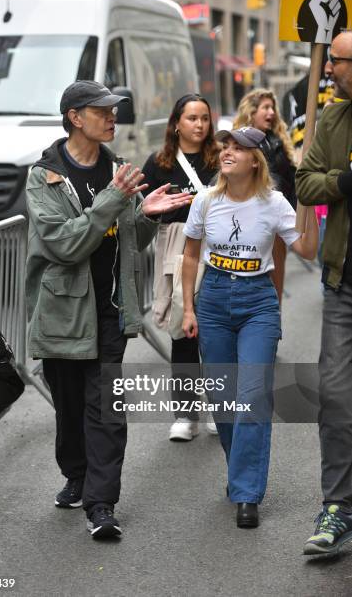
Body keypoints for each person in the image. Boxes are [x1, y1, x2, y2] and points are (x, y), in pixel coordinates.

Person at [25, 80, 191, 539]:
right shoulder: (46, 176)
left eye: (114, 110)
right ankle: (76, 473)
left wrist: (147, 216)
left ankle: (102, 506)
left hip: (110, 310)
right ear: (75, 117)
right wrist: (117, 201)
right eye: (102, 111)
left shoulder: (118, 168)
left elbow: (131, 243)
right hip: (62, 311)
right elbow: (65, 244)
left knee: (106, 410)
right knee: (70, 406)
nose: (113, 117)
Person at [182, 126, 318, 528]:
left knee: (254, 395)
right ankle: (240, 471)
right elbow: (190, 257)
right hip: (214, 300)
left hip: (258, 301)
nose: (227, 152)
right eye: (226, 146)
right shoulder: (205, 201)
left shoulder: (275, 204)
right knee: (224, 400)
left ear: (255, 160)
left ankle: (246, 493)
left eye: (238, 149)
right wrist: (188, 309)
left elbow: (307, 250)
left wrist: (307, 199)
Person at [296, 31, 352, 556]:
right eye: (330, 60)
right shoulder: (333, 118)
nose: (328, 69)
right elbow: (304, 181)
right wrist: (343, 182)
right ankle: (338, 506)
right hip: (343, 287)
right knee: (334, 397)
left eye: (336, 61)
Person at [142, 94, 219, 441]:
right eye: (191, 118)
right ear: (176, 123)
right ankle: (186, 413)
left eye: (204, 118)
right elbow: (141, 207)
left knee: (216, 332)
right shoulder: (159, 163)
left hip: (217, 247)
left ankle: (220, 407)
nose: (199, 124)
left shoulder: (221, 158)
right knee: (183, 329)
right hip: (175, 246)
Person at [233, 89, 297, 304]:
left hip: (277, 224)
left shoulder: (279, 140)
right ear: (251, 111)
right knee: (250, 280)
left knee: (275, 283)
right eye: (265, 108)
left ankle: (271, 326)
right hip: (249, 222)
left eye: (273, 108)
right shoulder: (238, 143)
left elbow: (291, 181)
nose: (271, 113)